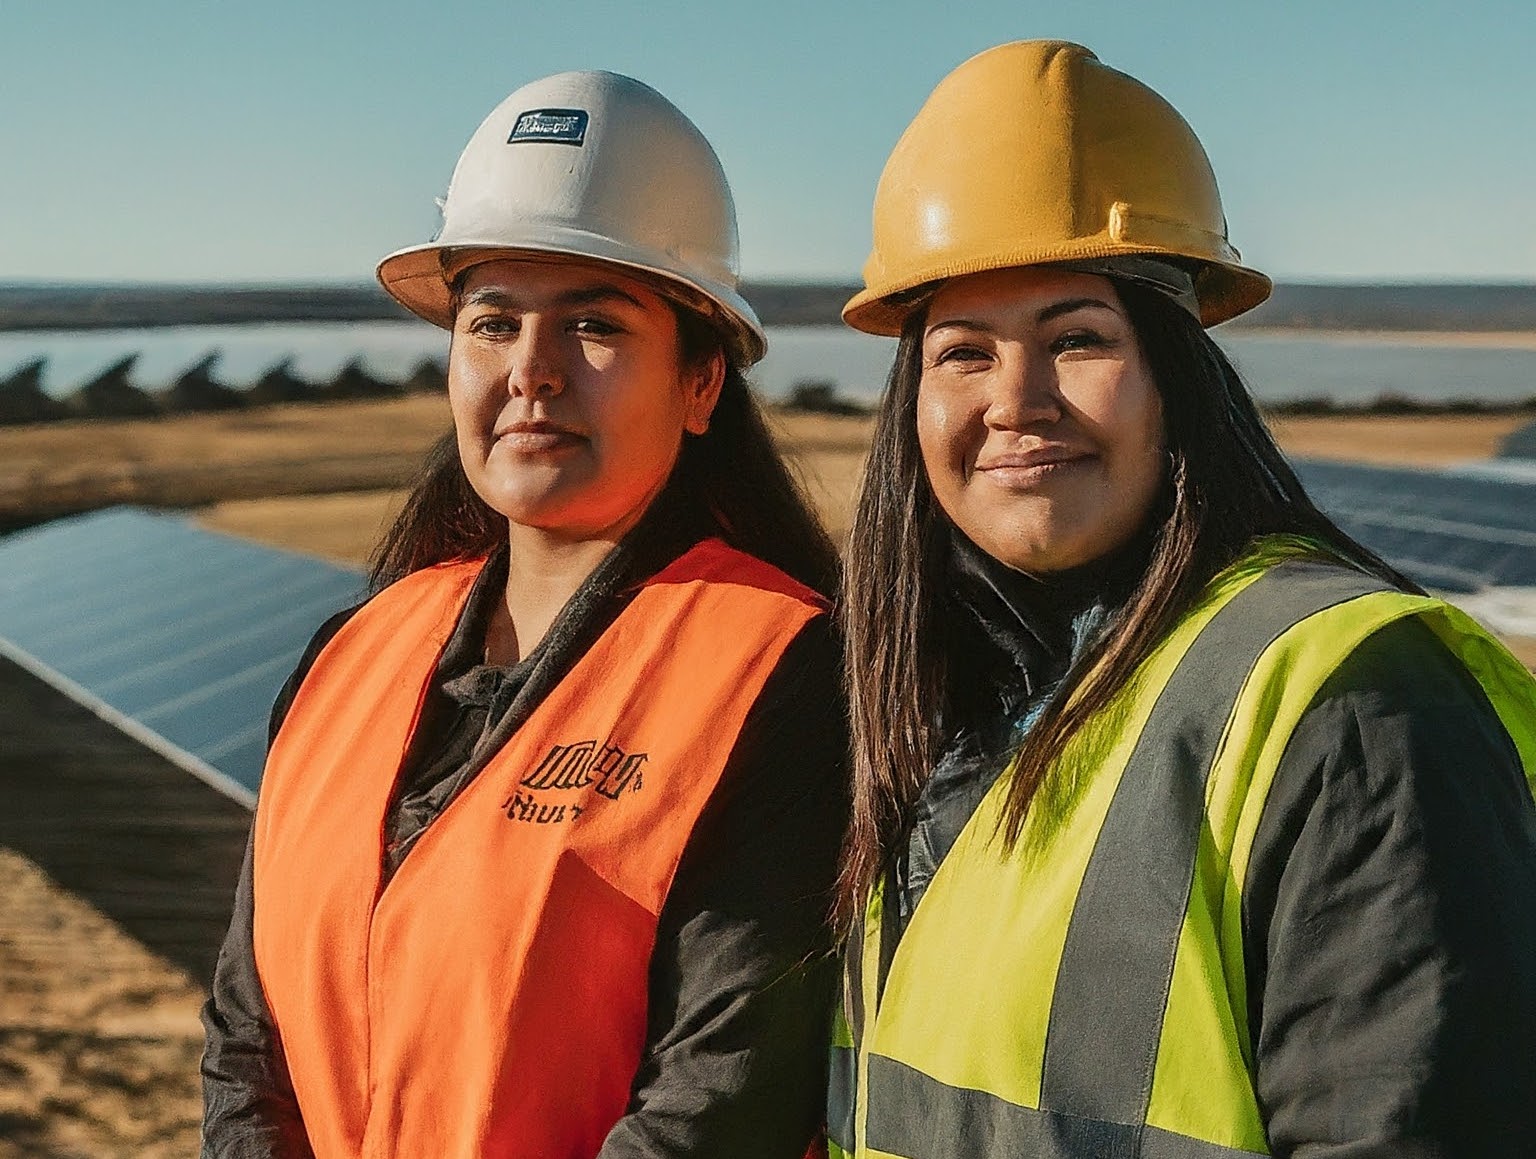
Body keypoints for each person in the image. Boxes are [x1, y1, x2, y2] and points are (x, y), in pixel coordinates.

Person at [829, 40, 1536, 1159]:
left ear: (1176, 375)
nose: (1017, 400)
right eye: (963, 352)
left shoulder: (1354, 700)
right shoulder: (944, 703)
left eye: (1078, 339)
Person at [200, 70, 848, 1159]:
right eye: (491, 323)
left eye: (595, 325)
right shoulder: (350, 654)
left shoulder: (785, 672)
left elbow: (722, 1104)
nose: (532, 372)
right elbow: (244, 1037)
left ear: (700, 387)